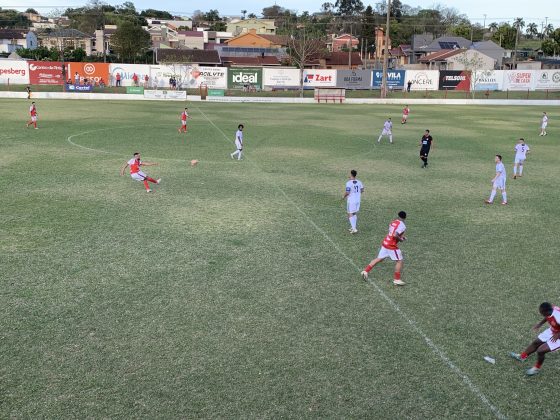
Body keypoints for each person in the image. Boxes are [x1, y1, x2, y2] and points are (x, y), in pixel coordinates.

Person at [509, 302, 560, 376]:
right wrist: (540, 324)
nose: (540, 313)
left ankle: (536, 368)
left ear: (545, 312)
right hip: (553, 330)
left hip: (558, 336)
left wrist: (558, 335)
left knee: (541, 351)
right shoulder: (550, 310)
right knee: (536, 342)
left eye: (541, 312)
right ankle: (522, 357)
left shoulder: (558, 317)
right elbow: (547, 316)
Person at [361, 211, 407, 286]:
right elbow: (395, 235)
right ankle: (397, 279)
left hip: (385, 243)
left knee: (379, 259)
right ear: (405, 217)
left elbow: (392, 233)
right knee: (399, 261)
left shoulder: (393, 222)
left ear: (398, 216)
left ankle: (365, 271)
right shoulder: (402, 225)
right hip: (391, 245)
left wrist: (401, 237)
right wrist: (401, 240)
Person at [343, 170, 364, 234]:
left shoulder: (349, 183)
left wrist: (344, 196)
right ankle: (353, 227)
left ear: (351, 175)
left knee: (350, 213)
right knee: (354, 213)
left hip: (351, 201)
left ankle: (354, 229)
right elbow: (362, 190)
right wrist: (357, 194)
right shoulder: (359, 182)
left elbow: (347, 192)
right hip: (358, 200)